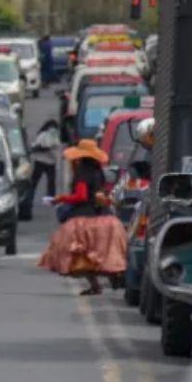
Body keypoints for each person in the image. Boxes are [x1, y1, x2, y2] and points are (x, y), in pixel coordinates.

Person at [38, 139, 128, 296]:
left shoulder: (82, 172)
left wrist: (60, 199)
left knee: (80, 254)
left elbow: (81, 196)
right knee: (97, 254)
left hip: (83, 219)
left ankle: (96, 284)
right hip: (104, 218)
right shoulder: (98, 171)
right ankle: (107, 278)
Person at [30, 119, 61, 200]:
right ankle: (50, 198)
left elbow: (43, 145)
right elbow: (50, 145)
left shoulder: (42, 134)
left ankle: (30, 195)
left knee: (35, 181)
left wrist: (34, 149)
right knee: (50, 182)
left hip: (41, 161)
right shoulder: (52, 134)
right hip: (49, 162)